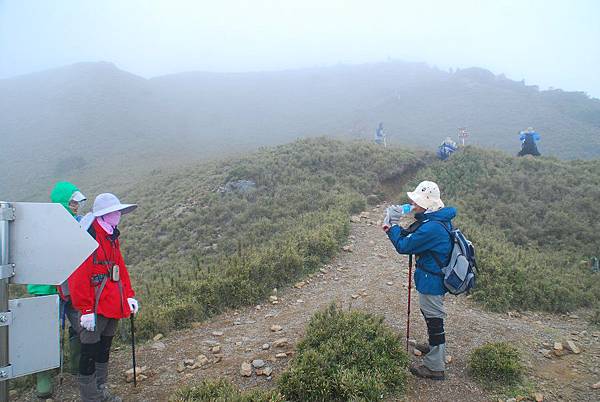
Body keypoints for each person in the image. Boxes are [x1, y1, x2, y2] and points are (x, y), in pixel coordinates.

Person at [383, 181, 456, 380]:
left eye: (417, 201)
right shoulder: (436, 219)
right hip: (432, 278)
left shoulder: (432, 227)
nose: (413, 205)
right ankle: (433, 349)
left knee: (434, 322)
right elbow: (416, 236)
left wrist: (391, 228)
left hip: (432, 281)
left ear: (427, 203)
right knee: (431, 317)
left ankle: (435, 367)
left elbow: (404, 246)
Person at [69, 193, 138, 402]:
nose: (119, 214)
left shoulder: (111, 235)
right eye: (115, 211)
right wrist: (86, 310)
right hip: (95, 307)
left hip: (112, 302)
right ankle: (91, 398)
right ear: (105, 215)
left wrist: (129, 296)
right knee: (89, 351)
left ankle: (102, 389)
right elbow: (78, 275)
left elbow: (120, 268)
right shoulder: (89, 236)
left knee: (104, 348)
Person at [27, 181, 87, 398]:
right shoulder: (44, 223)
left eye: (77, 202)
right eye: (72, 202)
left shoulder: (78, 223)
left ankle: (77, 365)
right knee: (46, 333)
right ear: (64, 201)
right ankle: (43, 379)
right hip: (46, 288)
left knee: (80, 324)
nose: (76, 206)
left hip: (71, 288)